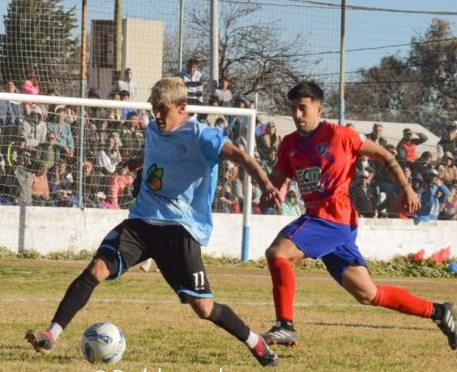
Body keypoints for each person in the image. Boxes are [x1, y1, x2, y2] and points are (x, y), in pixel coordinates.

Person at [25, 77, 282, 367]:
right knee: (97, 267)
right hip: (142, 223)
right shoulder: (153, 129)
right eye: (153, 108)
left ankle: (255, 341)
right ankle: (51, 333)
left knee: (204, 307)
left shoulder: (201, 136)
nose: (157, 115)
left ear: (182, 108)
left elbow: (240, 156)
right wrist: (139, 162)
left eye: (163, 109)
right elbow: (160, 155)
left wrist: (267, 185)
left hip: (180, 229)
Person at [260, 81, 457, 351]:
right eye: (293, 109)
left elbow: (384, 155)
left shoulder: (340, 135)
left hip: (332, 218)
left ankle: (285, 325)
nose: (297, 115)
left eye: (303, 108)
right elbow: (277, 178)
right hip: (329, 224)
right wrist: (268, 189)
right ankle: (438, 311)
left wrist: (406, 188)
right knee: (369, 294)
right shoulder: (289, 144)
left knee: (278, 253)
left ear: (319, 109)